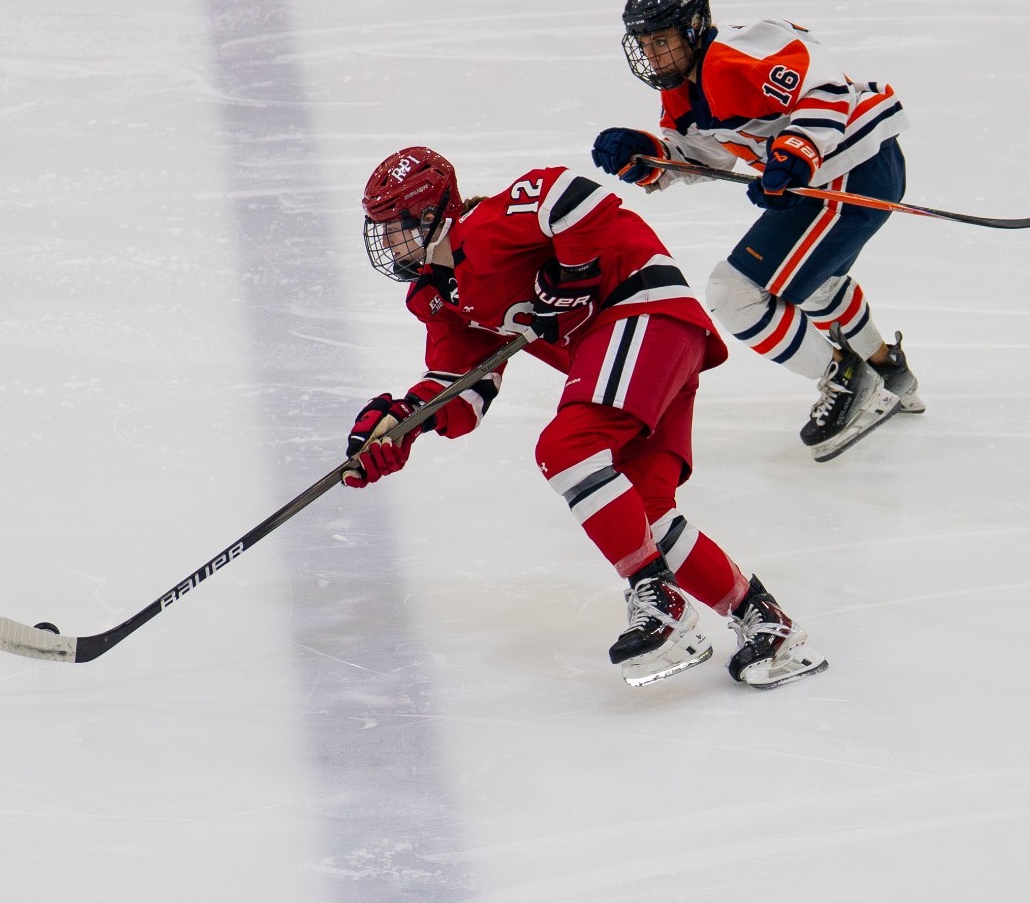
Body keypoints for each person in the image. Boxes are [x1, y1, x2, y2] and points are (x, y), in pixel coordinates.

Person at [343, 145, 827, 690]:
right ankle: (767, 624)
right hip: (643, 354)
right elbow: (463, 388)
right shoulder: (437, 294)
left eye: (395, 227)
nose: (386, 243)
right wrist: (403, 422)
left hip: (645, 312)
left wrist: (573, 272)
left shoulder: (485, 226)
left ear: (432, 211)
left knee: (567, 449)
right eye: (379, 230)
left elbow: (574, 195)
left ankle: (660, 604)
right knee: (645, 512)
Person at [589, 0, 922, 462]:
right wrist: (648, 156)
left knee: (734, 293)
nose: (655, 54)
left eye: (663, 40)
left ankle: (850, 383)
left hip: (854, 168)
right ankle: (888, 368)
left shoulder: (742, 51)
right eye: (646, 42)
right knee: (809, 283)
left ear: (695, 27)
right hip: (831, 177)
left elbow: (828, 91)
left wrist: (794, 153)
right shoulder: (682, 89)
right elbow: (706, 158)